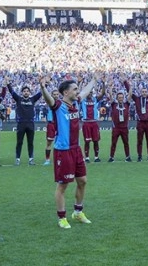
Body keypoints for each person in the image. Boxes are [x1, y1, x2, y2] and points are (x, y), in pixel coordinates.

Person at [39, 72, 102, 229]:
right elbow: (49, 100)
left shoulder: (77, 102)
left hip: (76, 149)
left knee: (82, 181)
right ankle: (62, 218)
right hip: (63, 151)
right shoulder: (58, 106)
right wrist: (42, 87)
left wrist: (93, 80)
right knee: (63, 185)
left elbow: (85, 91)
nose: (77, 91)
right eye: (74, 89)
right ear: (65, 92)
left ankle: (78, 212)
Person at [7, 78, 43, 166]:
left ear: (29, 92)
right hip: (21, 124)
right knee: (19, 142)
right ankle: (17, 159)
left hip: (30, 124)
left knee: (30, 142)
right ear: (22, 93)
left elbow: (41, 93)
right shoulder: (19, 99)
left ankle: (31, 159)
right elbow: (11, 91)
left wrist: (45, 84)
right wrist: (8, 83)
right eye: (24, 91)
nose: (26, 92)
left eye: (27, 91)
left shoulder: (33, 99)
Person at [109, 78, 133, 162]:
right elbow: (111, 96)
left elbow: (130, 94)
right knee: (114, 143)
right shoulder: (114, 104)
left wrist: (130, 86)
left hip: (124, 127)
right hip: (116, 128)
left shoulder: (126, 104)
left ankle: (127, 157)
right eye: (119, 97)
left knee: (126, 143)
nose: (120, 99)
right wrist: (110, 87)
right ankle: (111, 157)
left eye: (122, 97)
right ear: (117, 98)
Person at [80, 83, 106, 163]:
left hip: (94, 123)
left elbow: (103, 93)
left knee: (96, 140)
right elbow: (77, 94)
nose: (90, 94)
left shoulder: (95, 99)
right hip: (86, 123)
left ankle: (96, 157)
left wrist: (103, 84)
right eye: (88, 93)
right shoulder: (82, 100)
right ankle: (87, 158)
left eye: (91, 92)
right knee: (87, 141)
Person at [43, 89, 61, 165]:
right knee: (49, 143)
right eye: (54, 94)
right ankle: (47, 159)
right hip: (51, 124)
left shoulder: (61, 103)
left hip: (59, 125)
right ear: (51, 95)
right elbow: (44, 111)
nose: (56, 96)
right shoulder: (48, 103)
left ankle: (59, 159)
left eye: (57, 94)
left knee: (59, 143)